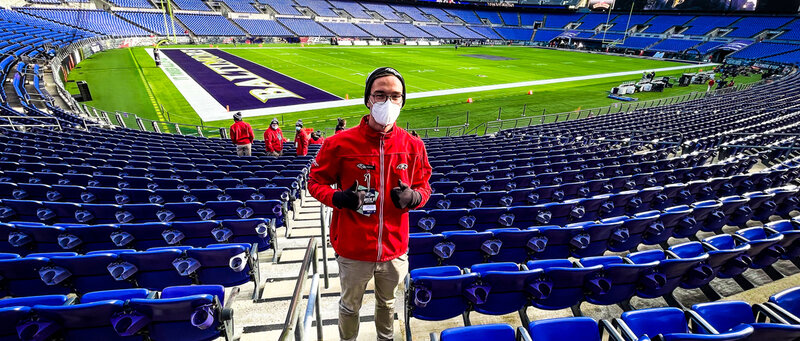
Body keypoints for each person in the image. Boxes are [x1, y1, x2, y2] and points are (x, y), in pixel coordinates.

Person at [308, 67, 432, 341]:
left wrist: (414, 198)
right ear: (368, 100)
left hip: (394, 249)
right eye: (380, 95)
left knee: (388, 305)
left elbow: (425, 186)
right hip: (353, 249)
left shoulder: (412, 145)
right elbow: (314, 182)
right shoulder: (339, 143)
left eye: (395, 96)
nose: (388, 102)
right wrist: (338, 199)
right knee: (350, 306)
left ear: (403, 101)